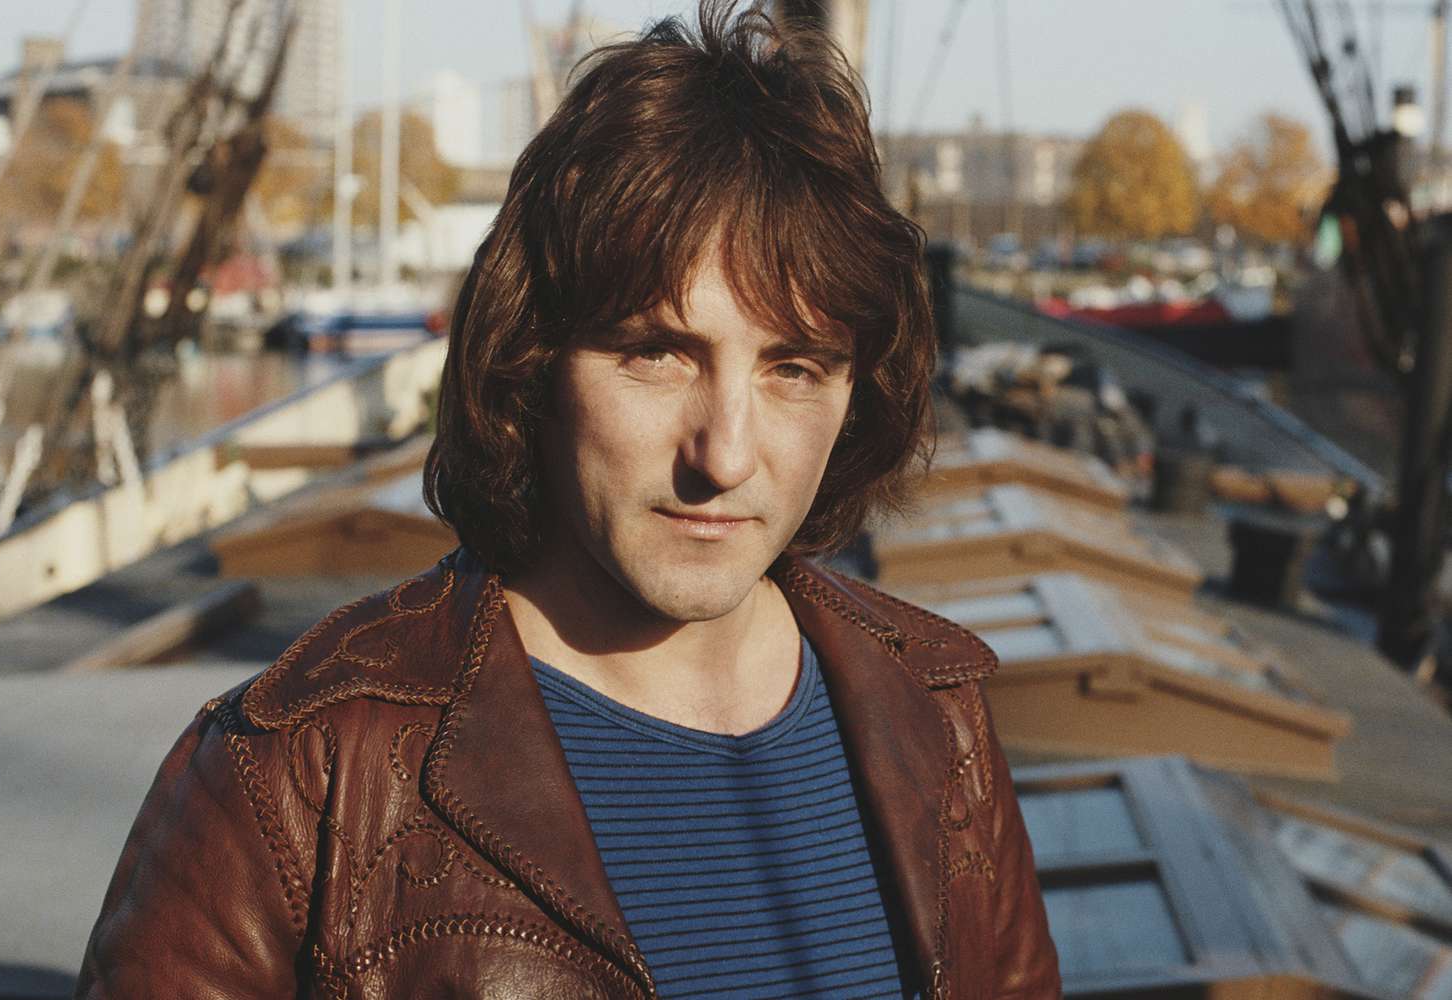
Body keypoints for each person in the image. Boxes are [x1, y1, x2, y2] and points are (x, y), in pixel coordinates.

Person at [76, 3, 1059, 997]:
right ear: (534, 357)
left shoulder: (943, 719)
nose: (724, 454)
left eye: (793, 368)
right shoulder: (300, 772)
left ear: (854, 395)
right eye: (657, 354)